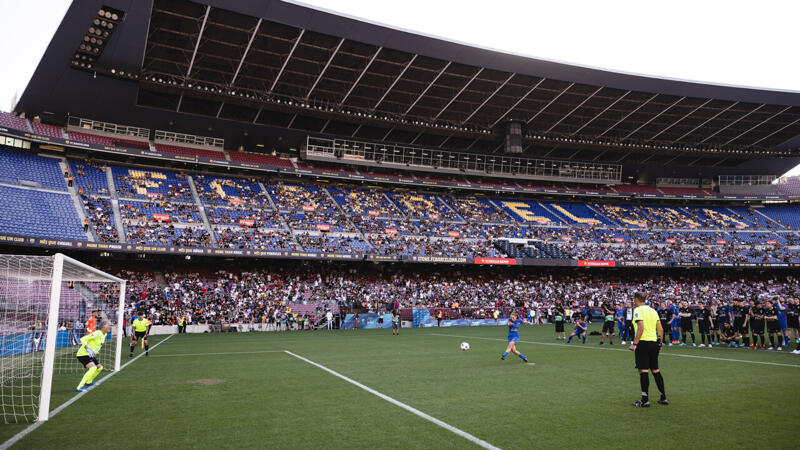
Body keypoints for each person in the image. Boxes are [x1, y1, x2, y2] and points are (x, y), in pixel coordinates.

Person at [629, 292, 668, 407]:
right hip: (654, 343)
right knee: (655, 370)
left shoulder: (638, 310)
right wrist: (660, 344)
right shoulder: (653, 311)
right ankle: (663, 397)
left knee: (643, 370)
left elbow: (641, 327)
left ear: (636, 299)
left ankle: (645, 400)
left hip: (643, 343)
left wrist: (635, 343)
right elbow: (660, 329)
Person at [75, 321, 112, 392]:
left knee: (99, 367)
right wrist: (88, 349)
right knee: (93, 368)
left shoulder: (105, 334)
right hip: (83, 354)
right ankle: (80, 387)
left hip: (90, 355)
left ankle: (89, 382)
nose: (110, 326)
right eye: (109, 325)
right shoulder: (97, 333)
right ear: (103, 326)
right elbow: (83, 339)